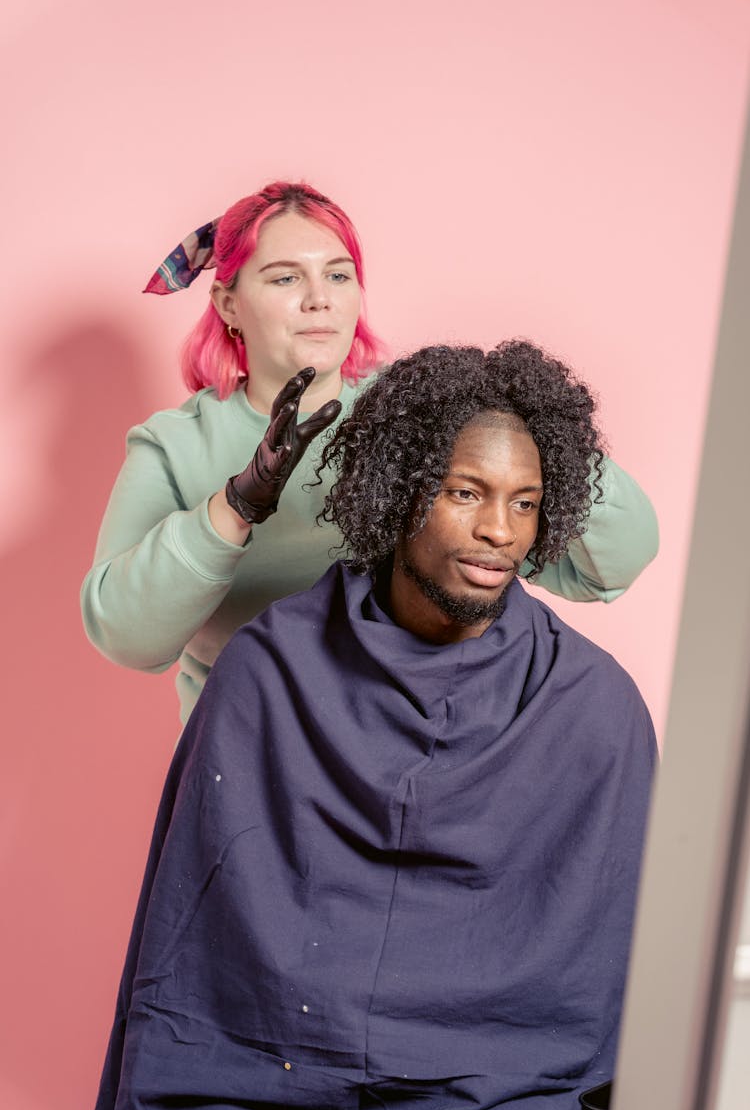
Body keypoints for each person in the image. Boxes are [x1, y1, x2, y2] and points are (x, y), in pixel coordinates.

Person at [93, 342, 657, 1110]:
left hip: (493, 1092)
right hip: (264, 1080)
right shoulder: (269, 670)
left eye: (524, 502)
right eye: (467, 492)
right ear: (400, 489)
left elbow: (611, 1001)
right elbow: (191, 964)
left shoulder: (593, 710)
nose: (499, 530)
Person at [80, 181, 659, 725]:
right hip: (251, 750)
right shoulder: (173, 446)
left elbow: (610, 566)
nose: (318, 300)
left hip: (412, 741)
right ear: (228, 303)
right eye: (285, 279)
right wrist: (233, 508)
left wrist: (532, 420)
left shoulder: (418, 418)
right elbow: (129, 639)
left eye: (338, 275)